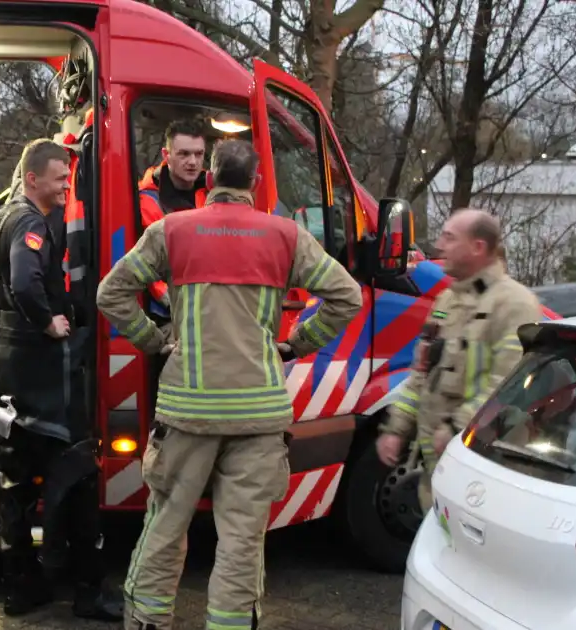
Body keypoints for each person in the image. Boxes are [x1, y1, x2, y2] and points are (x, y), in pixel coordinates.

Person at [96, 139, 363, 630]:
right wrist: (298, 344)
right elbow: (347, 296)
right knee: (242, 541)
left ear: (209, 177)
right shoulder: (285, 236)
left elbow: (110, 292)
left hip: (187, 412)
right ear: (256, 183)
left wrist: (154, 341)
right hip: (258, 416)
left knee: (165, 527)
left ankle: (149, 623)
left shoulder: (171, 231)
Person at [0, 138, 123, 621]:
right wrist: (48, 321)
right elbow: (24, 282)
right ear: (32, 179)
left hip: (12, 362)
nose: (67, 184)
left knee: (16, 478)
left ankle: (21, 589)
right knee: (79, 471)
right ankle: (88, 591)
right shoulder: (29, 222)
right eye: (60, 177)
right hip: (39, 365)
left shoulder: (5, 213)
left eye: (69, 176)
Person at [376, 208, 542, 511]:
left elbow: (507, 386)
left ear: (478, 247)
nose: (440, 246)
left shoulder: (515, 305)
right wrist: (396, 430)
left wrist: (455, 430)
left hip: (479, 475)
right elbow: (421, 373)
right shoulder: (446, 301)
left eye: (450, 238)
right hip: (436, 471)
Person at [138, 118, 211, 315]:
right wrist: (173, 303)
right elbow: (147, 266)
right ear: (166, 155)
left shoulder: (212, 191)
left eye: (199, 154)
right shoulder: (148, 201)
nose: (193, 162)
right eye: (184, 154)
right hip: (173, 310)